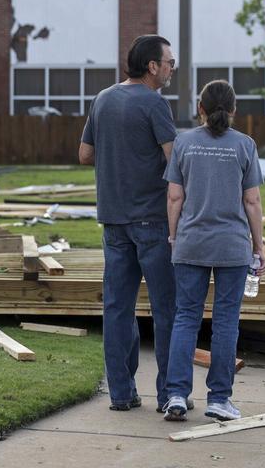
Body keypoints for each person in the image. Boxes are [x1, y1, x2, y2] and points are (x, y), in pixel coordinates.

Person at [78, 34, 179, 413]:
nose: (171, 68)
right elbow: (175, 163)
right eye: (169, 62)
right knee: (165, 309)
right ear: (152, 66)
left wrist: (118, 155)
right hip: (152, 221)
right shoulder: (154, 104)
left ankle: (122, 394)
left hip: (113, 221)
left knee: (118, 308)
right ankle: (170, 394)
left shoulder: (102, 99)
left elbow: (85, 153)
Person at [161, 79, 265, 422]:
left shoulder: (184, 143)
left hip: (191, 242)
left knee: (185, 318)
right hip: (232, 247)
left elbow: (175, 197)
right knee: (225, 322)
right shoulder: (245, 145)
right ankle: (219, 399)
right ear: (234, 110)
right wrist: (259, 247)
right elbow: (252, 201)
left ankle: (175, 395)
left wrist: (175, 237)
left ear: (200, 108)